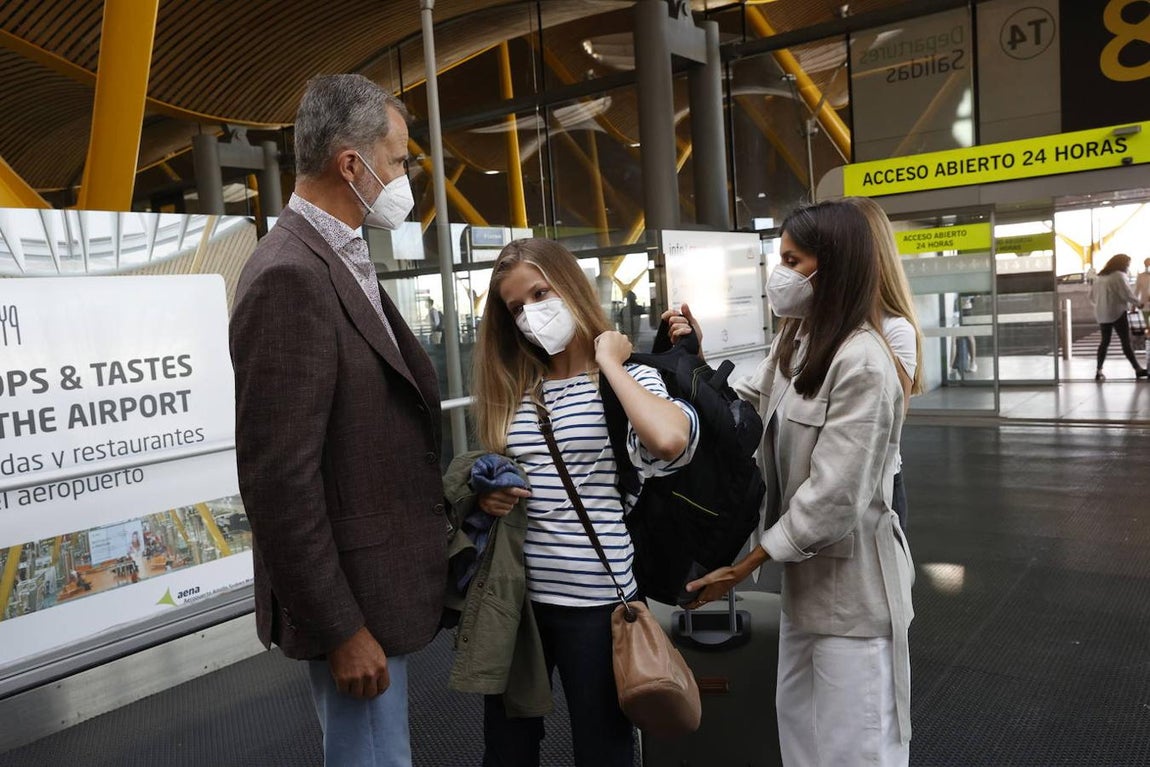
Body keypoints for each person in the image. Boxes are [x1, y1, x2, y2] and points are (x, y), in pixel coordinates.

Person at [230, 74, 446, 767]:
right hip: (350, 603)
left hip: (374, 584)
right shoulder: (289, 274)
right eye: (399, 159)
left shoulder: (340, 254)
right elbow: (278, 481)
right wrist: (340, 627)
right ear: (350, 165)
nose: (405, 176)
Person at [666, 200, 913, 765]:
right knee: (800, 743)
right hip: (802, 592)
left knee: (856, 750)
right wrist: (690, 373)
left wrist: (747, 565)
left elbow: (832, 500)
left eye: (791, 259)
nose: (778, 273)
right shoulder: (797, 340)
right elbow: (747, 406)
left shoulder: (865, 363)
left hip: (855, 599)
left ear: (834, 266)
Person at [470, 237, 699, 767]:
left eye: (540, 293)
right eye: (516, 307)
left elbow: (669, 441)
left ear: (569, 286)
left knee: (602, 748)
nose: (531, 314)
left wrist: (611, 361)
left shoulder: (627, 377)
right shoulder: (520, 389)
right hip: (519, 601)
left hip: (597, 603)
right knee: (507, 749)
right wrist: (494, 494)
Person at [847, 196, 924, 535]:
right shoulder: (821, 325)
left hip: (879, 490)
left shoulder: (895, 329)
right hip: (832, 485)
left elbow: (889, 422)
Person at [1088, 253, 1146, 382]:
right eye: (1127, 264)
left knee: (1104, 342)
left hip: (1102, 314)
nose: (1128, 266)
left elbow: (1091, 297)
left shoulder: (1099, 277)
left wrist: (1102, 304)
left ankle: (1099, 371)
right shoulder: (1119, 276)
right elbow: (1126, 293)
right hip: (1117, 313)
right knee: (1126, 342)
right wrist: (1138, 303)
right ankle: (1137, 369)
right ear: (1122, 264)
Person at [1135, 258, 1150, 328]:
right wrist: (1133, 304)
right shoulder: (1141, 276)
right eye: (1147, 264)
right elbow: (1137, 291)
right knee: (1147, 324)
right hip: (1144, 304)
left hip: (1145, 303)